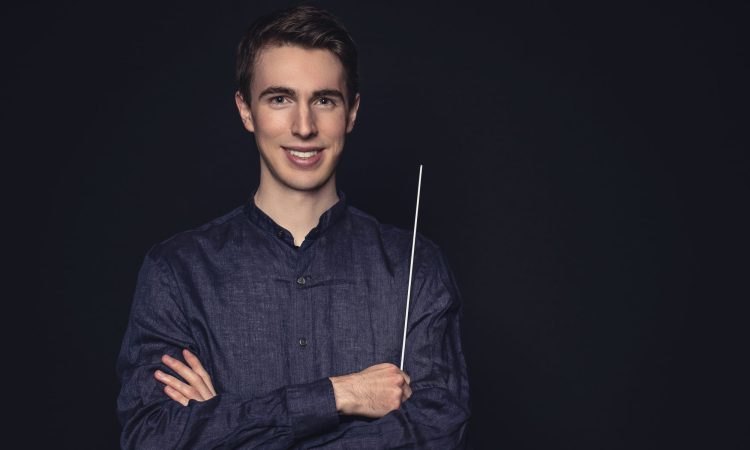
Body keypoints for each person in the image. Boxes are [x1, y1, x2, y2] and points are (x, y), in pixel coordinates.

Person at [116, 5, 470, 448]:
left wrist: (229, 429)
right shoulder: (176, 273)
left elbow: (437, 434)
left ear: (352, 112)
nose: (304, 127)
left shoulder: (416, 267)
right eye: (280, 99)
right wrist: (339, 395)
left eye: (324, 100)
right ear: (246, 110)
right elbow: (152, 439)